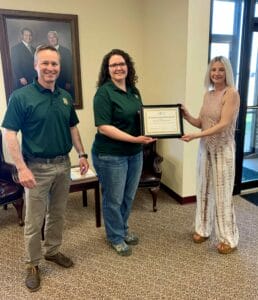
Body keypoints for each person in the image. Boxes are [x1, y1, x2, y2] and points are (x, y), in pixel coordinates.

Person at [2, 45, 89, 292]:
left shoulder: (64, 96)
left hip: (63, 165)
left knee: (58, 213)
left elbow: (73, 127)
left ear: (59, 67)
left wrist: (81, 153)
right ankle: (32, 263)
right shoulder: (21, 97)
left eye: (54, 64)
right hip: (36, 168)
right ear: (35, 65)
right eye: (45, 63)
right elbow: (9, 134)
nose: (50, 68)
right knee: (34, 219)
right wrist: (21, 168)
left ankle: (52, 251)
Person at [92, 49, 156, 256]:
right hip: (111, 155)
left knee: (128, 197)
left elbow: (141, 118)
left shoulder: (134, 91)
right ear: (107, 70)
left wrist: (153, 129)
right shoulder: (104, 93)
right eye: (113, 65)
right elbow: (103, 127)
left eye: (122, 64)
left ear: (128, 67)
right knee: (114, 198)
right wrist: (134, 139)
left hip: (134, 153)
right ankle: (115, 237)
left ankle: (122, 229)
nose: (118, 68)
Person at [181, 56, 240, 254]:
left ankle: (228, 239)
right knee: (204, 189)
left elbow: (223, 124)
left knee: (222, 194)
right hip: (205, 148)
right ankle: (203, 229)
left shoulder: (230, 93)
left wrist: (196, 135)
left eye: (221, 70)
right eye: (213, 69)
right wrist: (187, 115)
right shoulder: (208, 94)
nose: (216, 73)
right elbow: (201, 121)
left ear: (227, 73)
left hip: (223, 149)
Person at [47, 30, 73, 96]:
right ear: (48, 39)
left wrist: (68, 81)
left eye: (54, 37)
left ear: (57, 38)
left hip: (63, 81)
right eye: (50, 38)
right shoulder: (45, 52)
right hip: (49, 81)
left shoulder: (66, 51)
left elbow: (69, 67)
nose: (52, 39)